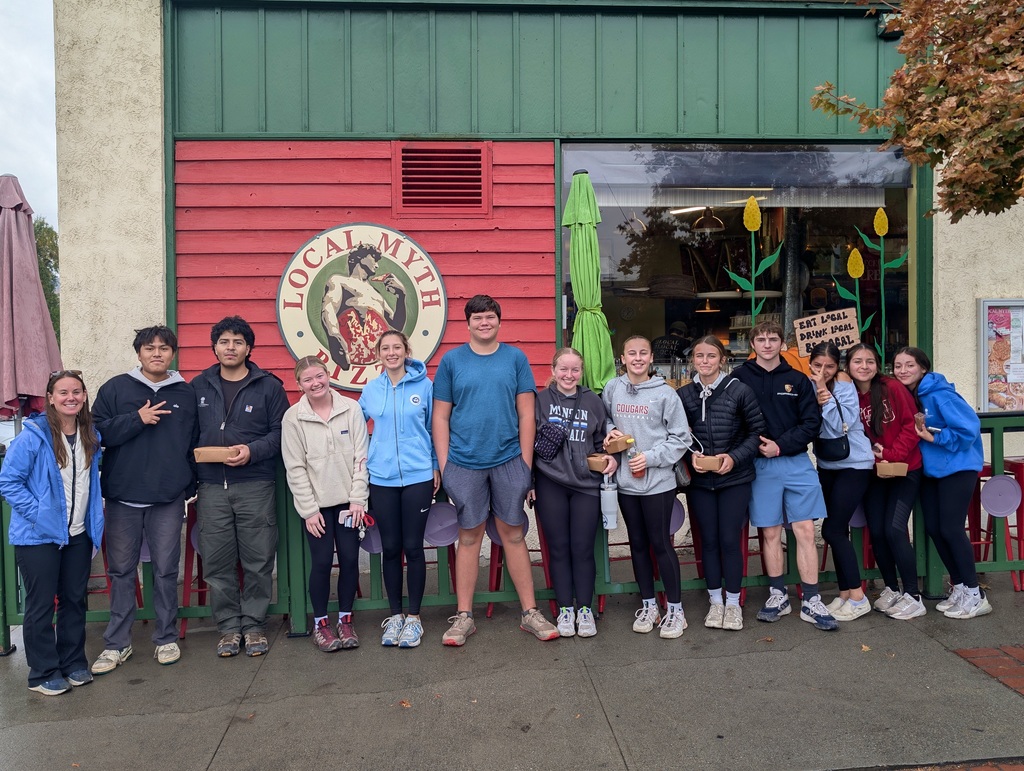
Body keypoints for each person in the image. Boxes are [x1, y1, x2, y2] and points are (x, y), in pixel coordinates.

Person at [433, 294, 558, 646]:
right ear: (468, 323)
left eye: (489, 317)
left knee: (513, 534)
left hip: (508, 460)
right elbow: (440, 416)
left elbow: (526, 414)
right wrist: (445, 466)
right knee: (468, 536)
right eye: (477, 318)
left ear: (499, 321)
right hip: (464, 462)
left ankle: (530, 612)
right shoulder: (452, 361)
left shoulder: (515, 358)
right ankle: (464, 617)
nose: (484, 323)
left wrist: (525, 466)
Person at [90, 326, 199, 673]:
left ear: (173, 353)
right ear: (138, 353)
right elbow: (96, 433)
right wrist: (136, 419)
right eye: (149, 348)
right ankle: (117, 643)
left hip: (167, 497)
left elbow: (194, 442)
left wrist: (188, 485)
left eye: (164, 348)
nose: (157, 353)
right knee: (121, 571)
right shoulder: (115, 388)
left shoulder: (185, 392)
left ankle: (165, 638)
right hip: (123, 496)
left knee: (166, 570)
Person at [0, 371, 103, 695]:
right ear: (51, 398)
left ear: (84, 396)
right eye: (63, 392)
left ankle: (73, 663)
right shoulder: (33, 436)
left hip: (77, 534)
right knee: (41, 603)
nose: (70, 397)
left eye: (76, 391)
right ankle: (42, 672)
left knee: (74, 600)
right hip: (38, 537)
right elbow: (8, 482)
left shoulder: (90, 435)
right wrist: (40, 516)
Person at [191, 316, 289, 657]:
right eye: (224, 342)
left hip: (255, 484)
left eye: (237, 342)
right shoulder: (198, 386)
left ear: (249, 348)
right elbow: (187, 435)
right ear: (215, 347)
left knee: (258, 559)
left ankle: (255, 625)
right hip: (211, 487)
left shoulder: (268, 387)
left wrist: (252, 451)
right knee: (217, 562)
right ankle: (229, 628)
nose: (230, 347)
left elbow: (281, 432)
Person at [732, 320, 837, 631]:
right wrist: (755, 446)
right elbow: (732, 421)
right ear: (752, 344)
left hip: (795, 462)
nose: (767, 344)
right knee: (770, 532)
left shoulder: (798, 379)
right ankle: (778, 595)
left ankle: (812, 599)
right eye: (761, 339)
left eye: (773, 339)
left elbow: (811, 423)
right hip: (759, 464)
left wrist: (780, 446)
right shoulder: (738, 378)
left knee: (804, 530)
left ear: (781, 343)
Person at [603, 335, 691, 639]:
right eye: (632, 353)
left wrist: (651, 458)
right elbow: (603, 418)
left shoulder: (665, 394)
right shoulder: (613, 388)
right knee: (637, 545)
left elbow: (681, 437)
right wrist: (609, 430)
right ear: (623, 358)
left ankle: (676, 610)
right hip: (626, 483)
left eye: (643, 353)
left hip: (658, 483)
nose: (637, 358)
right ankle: (649, 604)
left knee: (661, 543)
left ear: (651, 358)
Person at [894, 346, 992, 619]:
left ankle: (975, 593)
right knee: (936, 529)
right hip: (932, 471)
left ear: (923, 368)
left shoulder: (940, 394)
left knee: (951, 528)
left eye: (910, 365)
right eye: (898, 365)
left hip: (958, 468)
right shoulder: (910, 395)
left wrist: (935, 438)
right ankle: (960, 586)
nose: (903, 370)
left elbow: (969, 428)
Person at [677, 335, 765, 632]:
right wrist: (691, 454)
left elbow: (756, 432)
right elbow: (678, 434)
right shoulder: (684, 395)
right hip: (701, 482)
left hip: (734, 479)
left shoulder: (739, 390)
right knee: (709, 541)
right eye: (699, 356)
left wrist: (734, 457)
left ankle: (733, 602)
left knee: (729, 540)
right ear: (693, 360)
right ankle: (715, 601)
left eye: (711, 356)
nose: (705, 361)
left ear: (722, 360)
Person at [528, 348, 617, 638]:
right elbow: (528, 444)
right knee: (558, 548)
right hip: (550, 482)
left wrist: (610, 457)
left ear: (581, 372)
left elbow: (601, 441)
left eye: (574, 370)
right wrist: (529, 483)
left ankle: (585, 610)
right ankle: (566, 609)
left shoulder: (593, 401)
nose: (569, 375)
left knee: (582, 548)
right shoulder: (540, 401)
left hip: (586, 485)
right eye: (563, 369)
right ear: (553, 371)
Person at [283, 356, 369, 651]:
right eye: (307, 379)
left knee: (349, 560)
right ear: (299, 385)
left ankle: (345, 620)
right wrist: (308, 510)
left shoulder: (350, 408)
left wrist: (358, 498)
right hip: (317, 508)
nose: (315, 383)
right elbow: (295, 467)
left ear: (328, 375)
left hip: (348, 504)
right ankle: (321, 624)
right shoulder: (293, 418)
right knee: (320, 562)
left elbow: (361, 457)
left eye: (319, 376)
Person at [359, 331, 439, 648]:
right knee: (391, 548)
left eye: (397, 347)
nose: (391, 353)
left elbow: (434, 427)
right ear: (378, 354)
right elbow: (353, 427)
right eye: (385, 348)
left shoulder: (425, 386)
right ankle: (395, 616)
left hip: (418, 476)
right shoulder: (371, 390)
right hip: (382, 478)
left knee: (413, 547)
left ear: (406, 351)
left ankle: (414, 619)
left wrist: (435, 464)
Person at [847, 343, 925, 620]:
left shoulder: (892, 388)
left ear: (877, 365)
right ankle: (892, 588)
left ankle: (913, 595)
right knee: (878, 531)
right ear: (848, 366)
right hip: (874, 472)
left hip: (905, 469)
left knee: (894, 529)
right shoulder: (849, 394)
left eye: (870, 361)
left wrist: (890, 453)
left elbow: (911, 426)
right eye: (858, 361)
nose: (864, 366)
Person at [808, 342, 874, 622]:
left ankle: (859, 597)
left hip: (854, 463)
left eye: (830, 366)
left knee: (833, 530)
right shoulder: (808, 384)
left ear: (838, 367)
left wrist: (824, 393)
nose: (823, 371)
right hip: (827, 463)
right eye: (817, 365)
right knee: (836, 531)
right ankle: (845, 592)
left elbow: (840, 424)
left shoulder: (844, 384)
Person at [320, 243, 408, 371]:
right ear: (361, 258)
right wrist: (334, 336)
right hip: (348, 352)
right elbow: (329, 308)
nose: (377, 265)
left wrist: (401, 296)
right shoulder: (340, 281)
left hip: (376, 359)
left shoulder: (377, 294)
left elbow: (397, 326)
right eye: (374, 259)